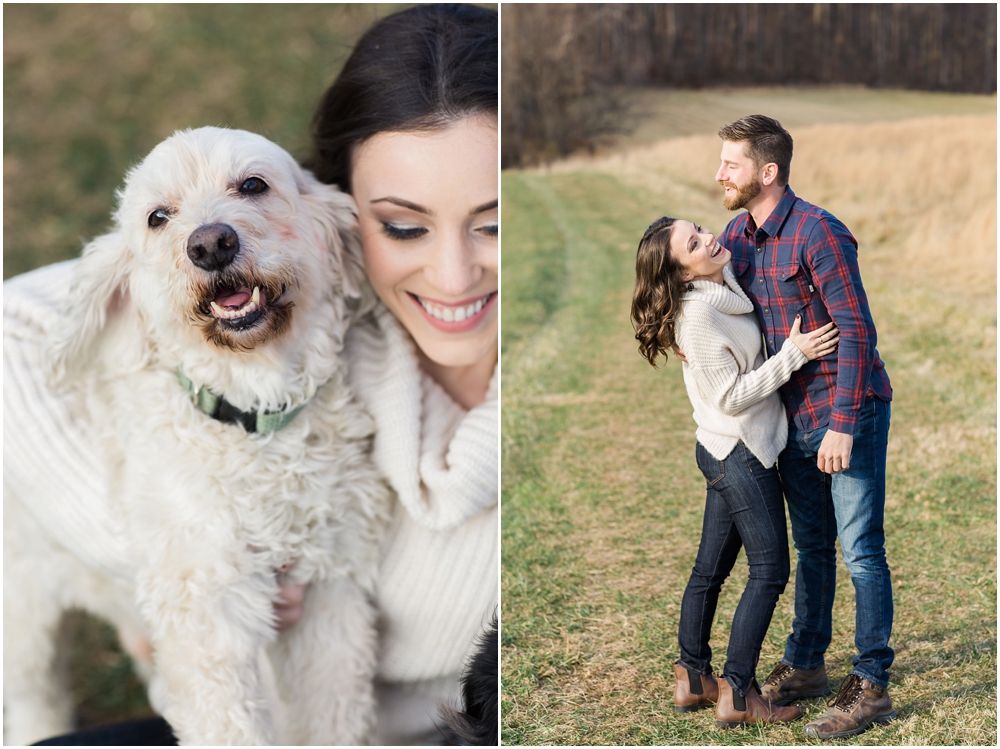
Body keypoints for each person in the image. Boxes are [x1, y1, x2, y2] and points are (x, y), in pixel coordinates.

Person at [4, 4, 498, 746]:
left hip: (440, 727)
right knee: (28, 678)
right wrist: (173, 563)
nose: (211, 235)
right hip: (94, 556)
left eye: (494, 223)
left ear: (324, 237)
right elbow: (19, 328)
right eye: (403, 225)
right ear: (355, 230)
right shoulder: (353, 312)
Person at [714, 114, 895, 740]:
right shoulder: (736, 234)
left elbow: (858, 331)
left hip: (846, 412)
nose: (719, 175)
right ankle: (808, 664)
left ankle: (871, 684)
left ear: (767, 172)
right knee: (813, 550)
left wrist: (845, 424)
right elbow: (706, 298)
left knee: (860, 552)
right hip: (787, 423)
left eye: (730, 165)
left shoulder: (819, 233)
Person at [631, 217, 839, 727]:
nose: (709, 239)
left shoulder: (724, 287)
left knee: (711, 570)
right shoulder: (699, 317)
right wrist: (793, 356)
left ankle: (693, 676)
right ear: (681, 274)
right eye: (694, 243)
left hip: (728, 447)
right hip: (737, 451)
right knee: (770, 572)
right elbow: (731, 396)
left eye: (700, 229)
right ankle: (739, 693)